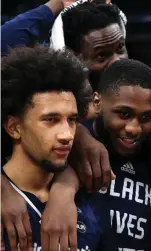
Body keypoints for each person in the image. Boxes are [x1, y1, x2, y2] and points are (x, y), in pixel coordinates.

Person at [1, 46, 114, 251]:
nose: (67, 135)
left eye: (71, 120)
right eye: (51, 120)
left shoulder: (89, 198)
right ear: (14, 128)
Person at [85, 59, 151, 250]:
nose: (134, 128)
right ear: (97, 102)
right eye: (124, 114)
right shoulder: (73, 147)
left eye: (146, 118)